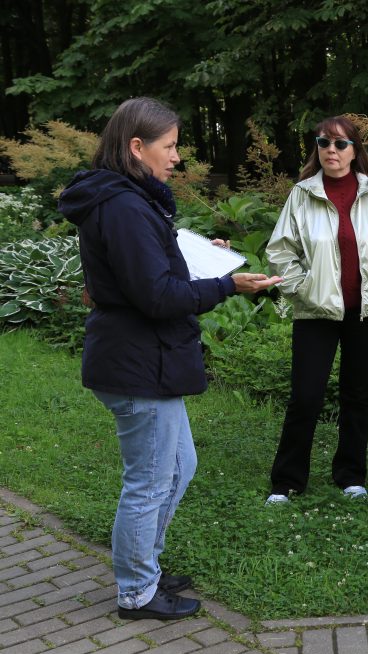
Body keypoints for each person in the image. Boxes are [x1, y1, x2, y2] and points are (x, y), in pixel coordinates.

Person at [59, 97, 281, 621]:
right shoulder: (124, 205)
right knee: (151, 481)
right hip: (138, 363)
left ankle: (146, 568)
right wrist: (227, 284)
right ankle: (136, 592)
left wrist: (200, 255)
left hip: (140, 358)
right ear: (137, 147)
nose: (177, 157)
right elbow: (156, 296)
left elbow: (142, 269)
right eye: (171, 146)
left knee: (179, 467)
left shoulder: (128, 199)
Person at [265, 115, 368, 504]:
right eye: (323, 143)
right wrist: (302, 288)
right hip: (316, 312)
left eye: (340, 144)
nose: (330, 150)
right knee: (305, 395)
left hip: (367, 312)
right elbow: (281, 251)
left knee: (356, 394)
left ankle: (351, 475)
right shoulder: (301, 194)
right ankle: (286, 481)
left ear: (355, 150)